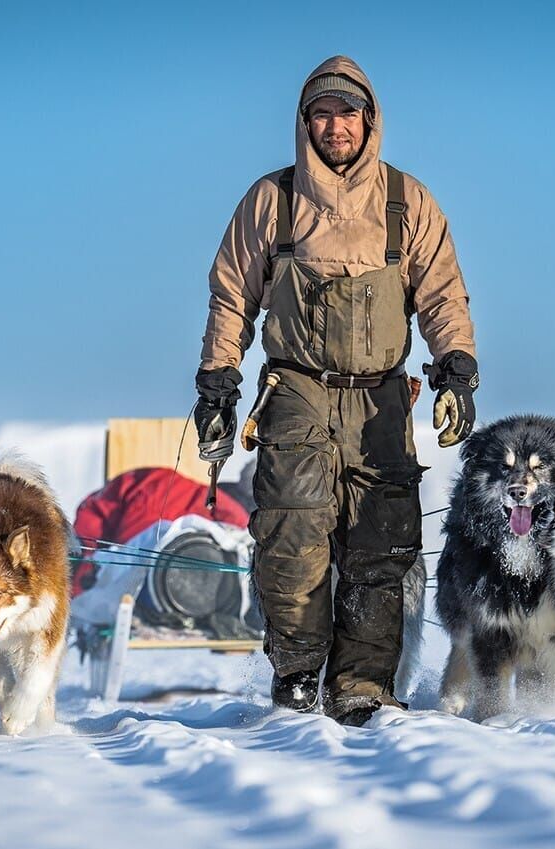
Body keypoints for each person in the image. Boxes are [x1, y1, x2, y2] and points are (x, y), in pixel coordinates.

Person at [193, 56, 479, 725]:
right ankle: (297, 671)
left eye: (347, 112)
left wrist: (457, 371)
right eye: (321, 112)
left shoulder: (407, 201)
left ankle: (361, 686)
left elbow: (441, 294)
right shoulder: (272, 199)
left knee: (383, 544)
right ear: (304, 123)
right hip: (296, 389)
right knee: (293, 535)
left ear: (368, 120)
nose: (335, 125)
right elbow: (231, 295)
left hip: (382, 399)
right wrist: (217, 384)